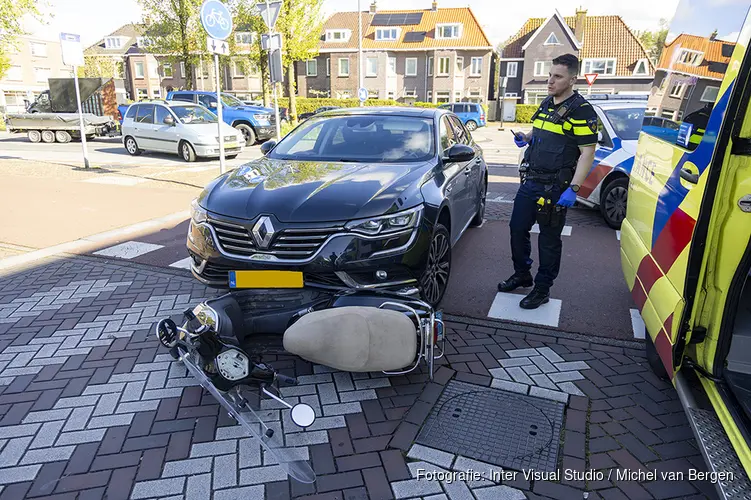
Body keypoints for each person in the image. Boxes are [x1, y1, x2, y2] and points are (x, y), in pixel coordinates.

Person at [498, 53, 598, 309]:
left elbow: (587, 152)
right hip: (531, 181)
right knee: (517, 229)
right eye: (550, 75)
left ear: (572, 79)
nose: (550, 81)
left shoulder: (582, 110)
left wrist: (573, 189)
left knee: (548, 240)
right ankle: (523, 274)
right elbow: (541, 129)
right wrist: (527, 137)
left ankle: (542, 289)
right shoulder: (547, 101)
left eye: (557, 77)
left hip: (556, 188)